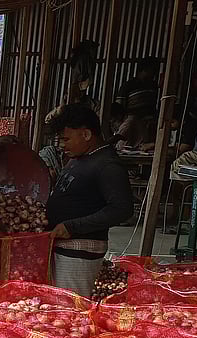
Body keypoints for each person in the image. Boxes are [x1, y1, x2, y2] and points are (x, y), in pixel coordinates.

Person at [46, 104, 134, 296]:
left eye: (66, 139)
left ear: (86, 134)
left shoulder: (108, 165)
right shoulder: (81, 157)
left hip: (79, 250)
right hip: (63, 247)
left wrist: (73, 227)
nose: (62, 145)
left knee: (70, 305)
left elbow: (122, 209)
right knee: (59, 303)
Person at [114, 59, 160, 150]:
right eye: (152, 70)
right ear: (143, 70)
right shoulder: (129, 85)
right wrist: (123, 120)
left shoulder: (153, 85)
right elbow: (119, 106)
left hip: (148, 121)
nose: (154, 74)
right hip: (132, 120)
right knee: (126, 146)